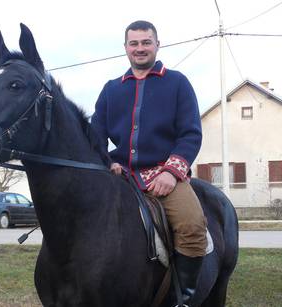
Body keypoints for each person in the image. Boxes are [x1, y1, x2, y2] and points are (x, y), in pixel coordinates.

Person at [91, 20, 207, 306]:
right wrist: (106, 162)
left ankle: (184, 298)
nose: (140, 48)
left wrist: (172, 172)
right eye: (134, 43)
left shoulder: (177, 82)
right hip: (121, 175)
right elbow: (95, 135)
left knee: (192, 226)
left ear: (157, 44)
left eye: (146, 42)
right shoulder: (110, 89)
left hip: (165, 175)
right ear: (126, 48)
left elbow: (191, 133)